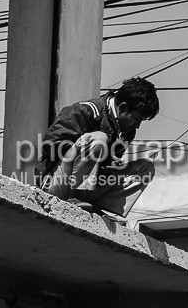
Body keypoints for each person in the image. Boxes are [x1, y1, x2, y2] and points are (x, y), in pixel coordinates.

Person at [38, 76, 160, 215]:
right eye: (137, 119)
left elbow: (107, 165)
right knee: (98, 139)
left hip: (90, 190)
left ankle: (108, 211)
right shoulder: (86, 111)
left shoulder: (126, 132)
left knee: (145, 168)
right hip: (57, 183)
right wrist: (85, 152)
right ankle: (74, 197)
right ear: (123, 107)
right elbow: (50, 146)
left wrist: (106, 167)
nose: (137, 126)